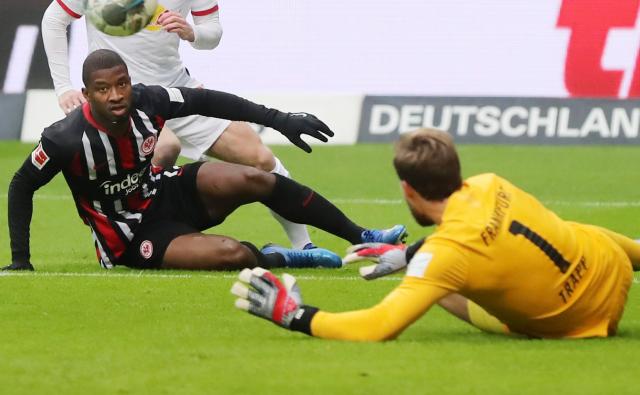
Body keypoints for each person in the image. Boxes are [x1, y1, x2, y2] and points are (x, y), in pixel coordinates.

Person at [2, 49, 407, 272]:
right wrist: (21, 259)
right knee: (232, 255)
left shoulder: (148, 100)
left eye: (121, 83)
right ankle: (280, 256)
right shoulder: (65, 138)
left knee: (254, 176)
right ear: (88, 94)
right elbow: (21, 185)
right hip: (129, 238)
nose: (116, 95)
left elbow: (209, 100)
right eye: (103, 89)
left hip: (165, 191)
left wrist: (279, 119)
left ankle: (362, 236)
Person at [232, 128, 638, 340]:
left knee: (437, 278)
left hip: (578, 323)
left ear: (408, 190)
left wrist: (295, 315)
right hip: (613, 267)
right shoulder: (491, 183)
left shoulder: (444, 256)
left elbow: (375, 327)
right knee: (570, 231)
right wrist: (408, 254)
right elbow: (475, 231)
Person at [42, 0, 320, 250]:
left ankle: (304, 245)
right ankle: (139, 238)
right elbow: (54, 19)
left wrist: (192, 33)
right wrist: (64, 88)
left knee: (259, 158)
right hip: (126, 99)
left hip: (178, 91)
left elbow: (212, 32)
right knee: (164, 148)